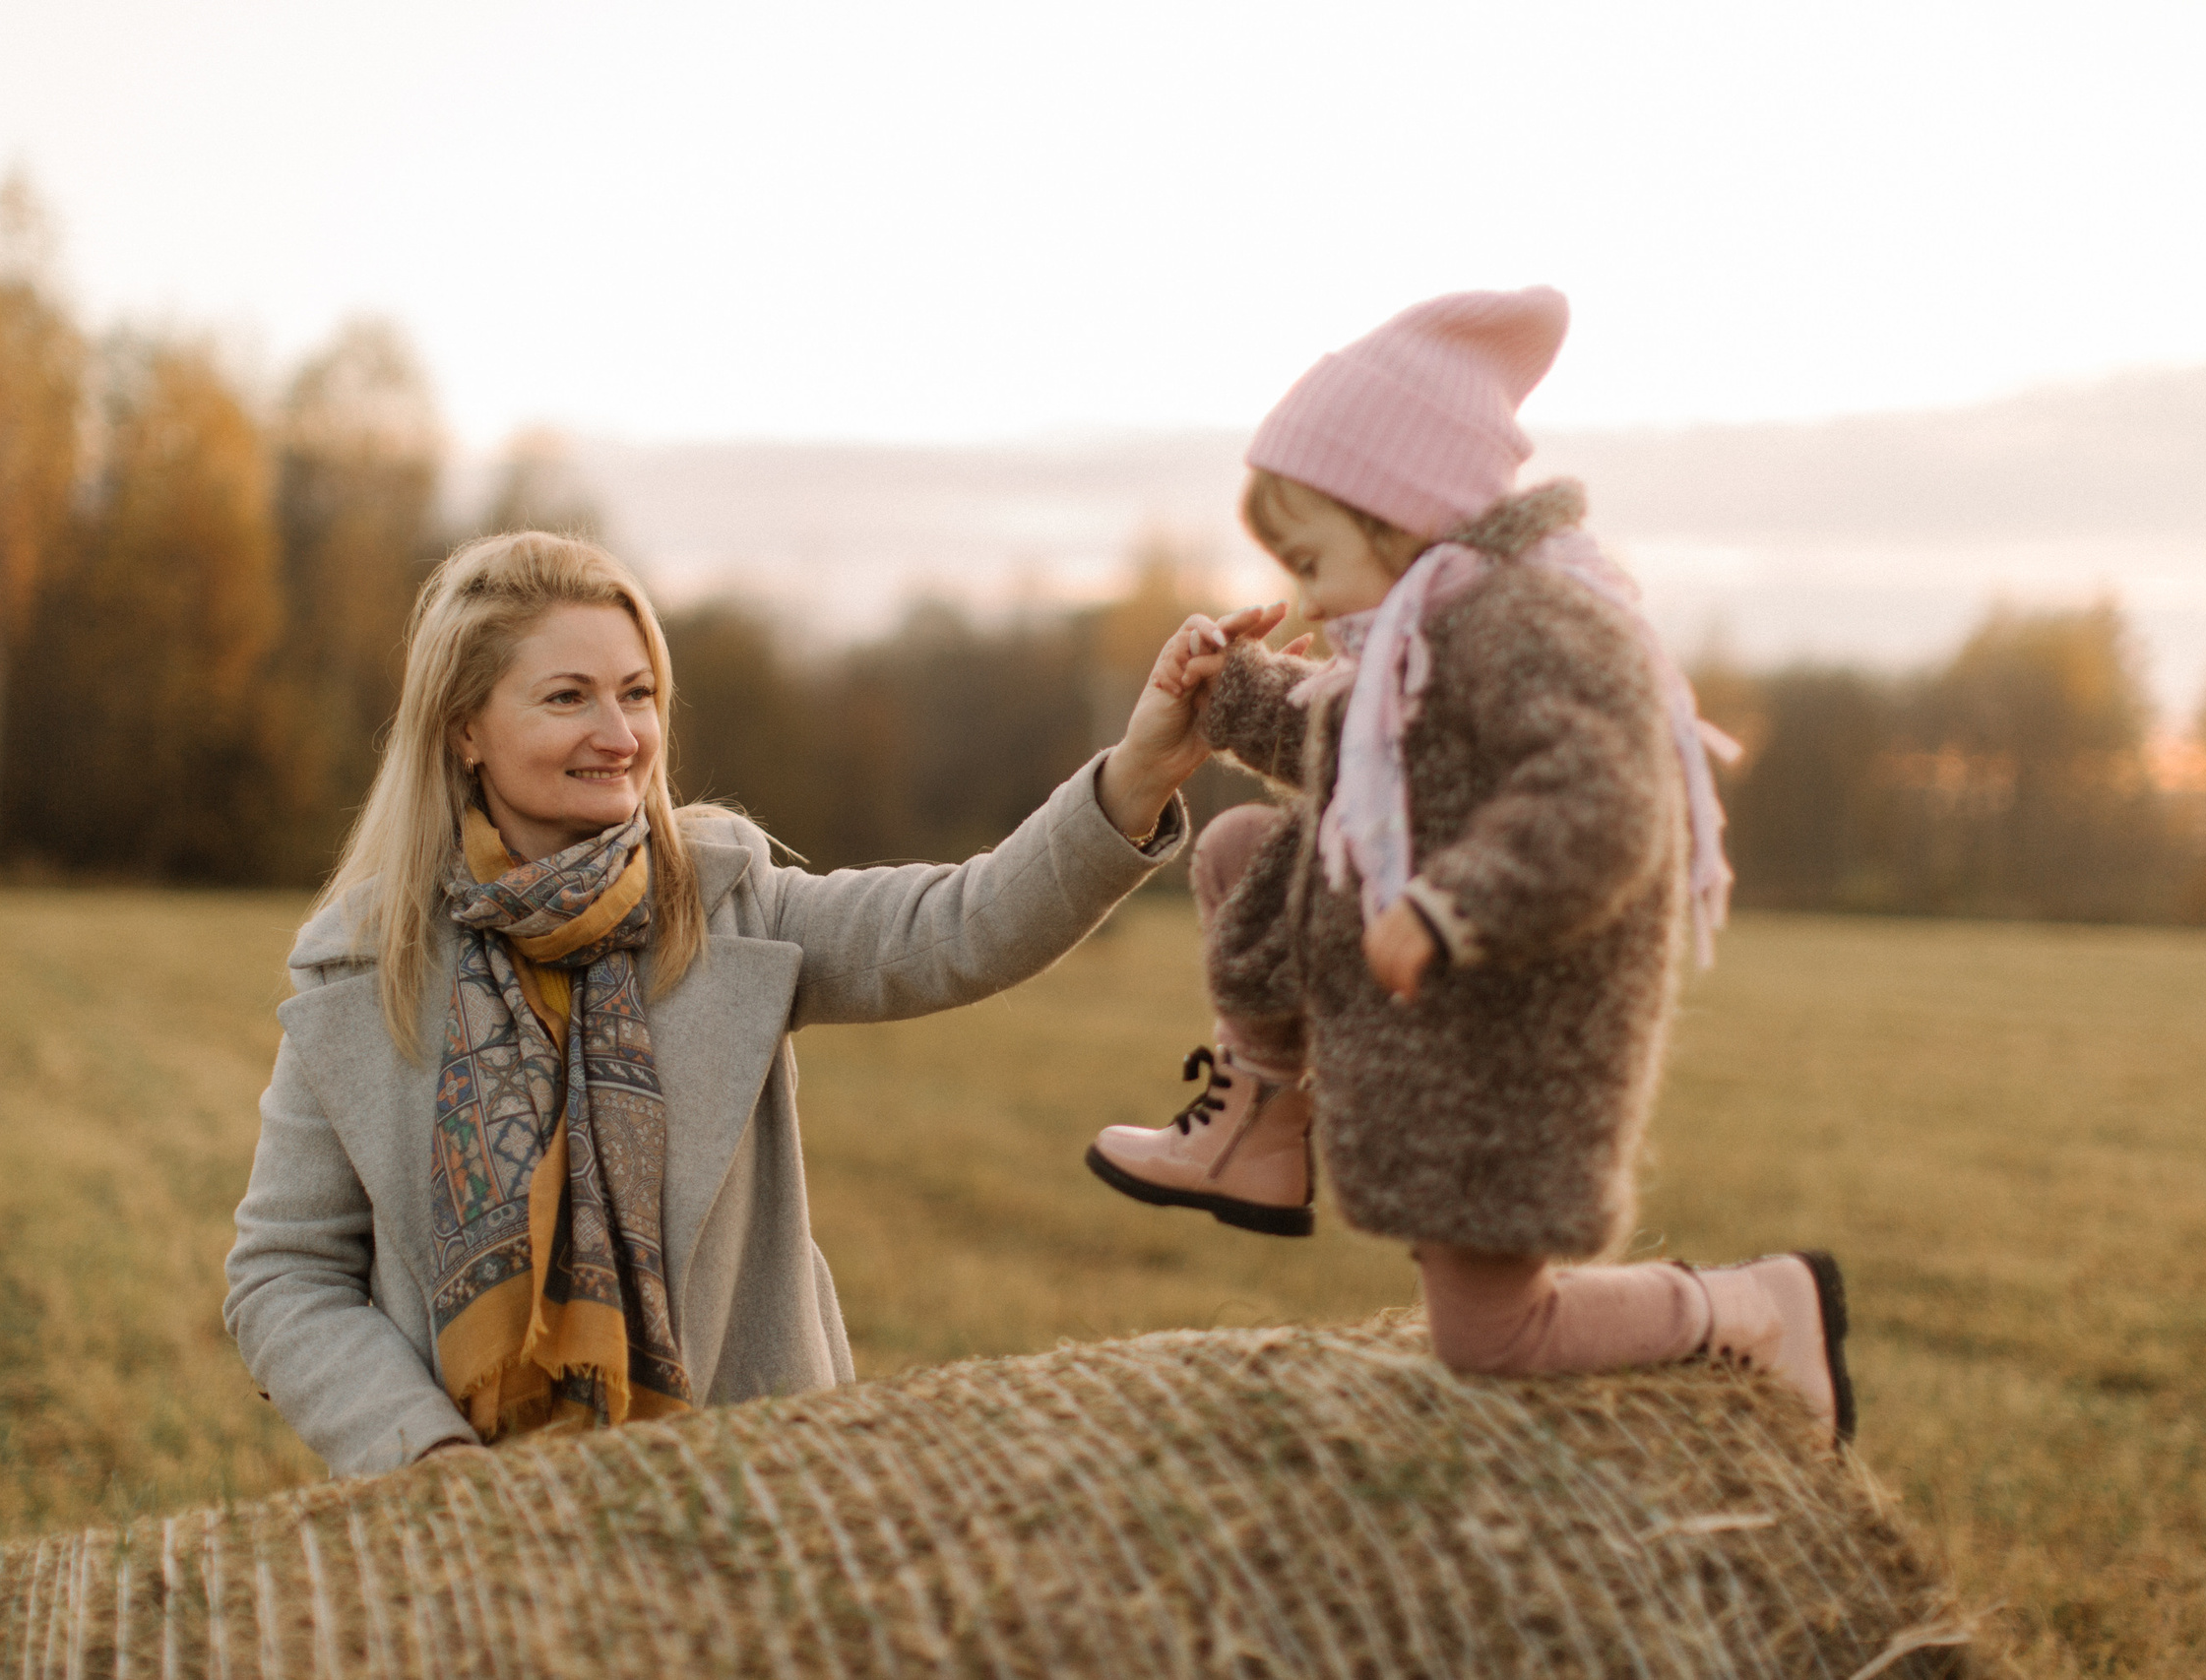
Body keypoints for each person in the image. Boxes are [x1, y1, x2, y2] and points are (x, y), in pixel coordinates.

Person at [224, 531, 1257, 1476]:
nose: (619, 733)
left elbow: (962, 925)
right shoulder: (367, 971)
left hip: (754, 1502)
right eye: (567, 698)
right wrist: (427, 1458)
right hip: (471, 1535)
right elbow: (285, 1276)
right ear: (464, 732)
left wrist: (1135, 775)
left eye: (637, 693)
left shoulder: (730, 907)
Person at [1083, 287, 1857, 1444]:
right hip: (1437, 1000)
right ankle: (1257, 1126)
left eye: (1310, 554)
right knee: (1250, 852)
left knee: (1491, 1338)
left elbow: (1605, 804)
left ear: (1397, 511)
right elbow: (1368, 758)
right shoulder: (1425, 627)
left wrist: (1454, 903)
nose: (1298, 592)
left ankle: (1757, 1306)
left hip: (1512, 1027)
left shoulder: (1534, 624)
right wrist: (1225, 691)